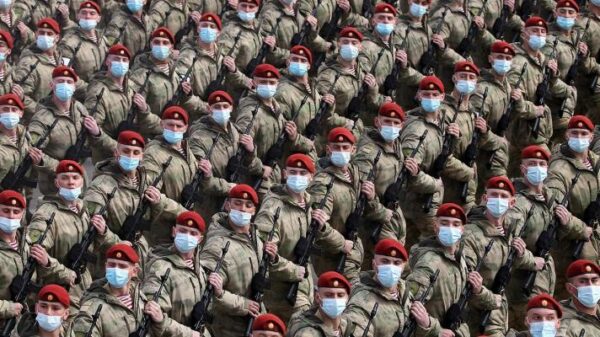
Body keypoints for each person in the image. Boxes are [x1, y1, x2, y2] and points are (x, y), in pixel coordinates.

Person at [254, 153, 343, 322]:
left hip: (303, 287)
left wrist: (329, 232)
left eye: (303, 173)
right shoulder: (273, 208)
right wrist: (295, 271)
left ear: (311, 177)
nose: (297, 177)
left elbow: (327, 236)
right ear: (285, 174)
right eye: (293, 172)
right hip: (277, 290)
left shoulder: (308, 204)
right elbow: (264, 255)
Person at [83, 130, 184, 277]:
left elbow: (177, 211)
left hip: (139, 253)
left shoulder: (147, 181)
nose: (131, 156)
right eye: (126, 151)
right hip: (110, 260)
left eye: (136, 152)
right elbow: (92, 225)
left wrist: (159, 202)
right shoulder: (101, 186)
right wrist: (117, 243)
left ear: (142, 156)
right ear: (116, 153)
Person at [462, 176, 544, 336]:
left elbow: (509, 254)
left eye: (503, 196)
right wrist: (490, 299)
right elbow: (467, 279)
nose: (498, 200)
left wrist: (528, 258)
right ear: (485, 198)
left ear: (512, 203)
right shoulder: (471, 234)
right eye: (494, 195)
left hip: (498, 309)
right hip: (475, 312)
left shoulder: (509, 229)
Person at [199, 184, 280, 337]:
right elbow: (206, 291)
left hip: (254, 322)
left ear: (254, 210)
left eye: (248, 205)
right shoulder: (217, 245)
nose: (243, 208)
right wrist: (243, 304)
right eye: (238, 203)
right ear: (228, 205)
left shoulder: (255, 236)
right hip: (226, 328)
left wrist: (274, 258)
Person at [406, 203, 498, 337]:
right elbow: (409, 304)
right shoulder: (430, 262)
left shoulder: (459, 259)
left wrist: (480, 291)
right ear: (435, 226)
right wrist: (434, 328)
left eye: (455, 224)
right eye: (444, 223)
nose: (450, 228)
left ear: (462, 229)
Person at [27, 160, 106, 313]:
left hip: (83, 287)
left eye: (75, 178)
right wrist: (65, 273)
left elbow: (95, 243)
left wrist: (103, 232)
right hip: (57, 292)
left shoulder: (83, 210)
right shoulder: (48, 213)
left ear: (82, 181)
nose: (71, 182)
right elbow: (35, 252)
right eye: (65, 178)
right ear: (57, 182)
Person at [399, 75, 469, 247]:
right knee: (435, 245)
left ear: (442, 97)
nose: (431, 98)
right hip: (418, 201)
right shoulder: (416, 129)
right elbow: (409, 175)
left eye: (434, 94)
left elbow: (441, 156)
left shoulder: (441, 122)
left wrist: (454, 138)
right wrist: (435, 185)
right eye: (426, 94)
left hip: (430, 199)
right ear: (418, 96)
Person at [506, 16, 575, 176]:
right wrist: (534, 110)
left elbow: (552, 89)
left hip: (538, 130)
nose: (538, 35)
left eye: (542, 32)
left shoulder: (541, 60)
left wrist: (554, 76)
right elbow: (514, 98)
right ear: (524, 34)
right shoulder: (518, 62)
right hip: (521, 130)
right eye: (534, 31)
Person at [505, 145, 562, 331]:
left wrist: (573, 224)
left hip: (545, 278)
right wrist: (531, 260)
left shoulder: (549, 198)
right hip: (522, 285)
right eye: (532, 163)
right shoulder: (518, 203)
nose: (537, 167)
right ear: (523, 169)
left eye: (541, 163)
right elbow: (507, 245)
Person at [71, 243, 174, 337]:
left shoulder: (140, 297)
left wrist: (160, 322)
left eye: (122, 266)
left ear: (134, 271)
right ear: (106, 267)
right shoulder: (92, 308)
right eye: (112, 265)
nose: (116, 269)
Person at [546, 115, 599, 299]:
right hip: (571, 249)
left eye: (583, 133)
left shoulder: (596, 163)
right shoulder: (560, 169)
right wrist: (581, 228)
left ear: (591, 137)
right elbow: (555, 208)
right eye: (575, 133)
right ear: (567, 135)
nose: (579, 136)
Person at [188, 90, 263, 218]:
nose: (221, 110)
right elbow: (199, 177)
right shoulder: (198, 138)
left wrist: (251, 152)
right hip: (207, 205)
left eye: (225, 106)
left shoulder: (236, 132)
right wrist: (228, 187)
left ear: (231, 108)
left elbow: (248, 165)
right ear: (209, 109)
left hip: (235, 204)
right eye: (217, 107)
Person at [308, 127, 369, 281]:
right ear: (328, 149)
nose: (341, 151)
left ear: (353, 150)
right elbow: (318, 226)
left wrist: (371, 196)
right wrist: (342, 244)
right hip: (332, 256)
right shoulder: (323, 182)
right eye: (336, 147)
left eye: (345, 147)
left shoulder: (355, 174)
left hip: (353, 250)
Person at [84, 43, 162, 164]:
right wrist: (120, 148)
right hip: (107, 160)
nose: (120, 62)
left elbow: (144, 121)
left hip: (132, 155)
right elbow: (93, 132)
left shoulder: (132, 87)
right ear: (107, 62)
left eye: (124, 60)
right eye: (116, 59)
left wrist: (144, 109)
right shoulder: (98, 92)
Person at [344, 238, 437, 337]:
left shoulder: (405, 292)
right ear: (374, 264)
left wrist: (428, 324)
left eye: (397, 263)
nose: (390, 267)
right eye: (385, 261)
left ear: (403, 267)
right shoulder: (363, 302)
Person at [353, 102, 408, 267]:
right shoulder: (369, 151)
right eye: (387, 122)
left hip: (392, 215)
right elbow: (361, 192)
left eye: (395, 123)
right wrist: (382, 212)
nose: (391, 127)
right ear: (377, 122)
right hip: (373, 219)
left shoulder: (396, 147)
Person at [142, 211, 208, 337]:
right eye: (182, 231)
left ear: (200, 239)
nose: (187, 236)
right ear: (174, 232)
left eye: (193, 233)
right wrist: (192, 334)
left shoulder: (200, 268)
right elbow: (156, 317)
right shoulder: (161, 267)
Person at [28, 66, 88, 197]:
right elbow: (33, 150)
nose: (65, 85)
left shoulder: (79, 108)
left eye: (69, 82)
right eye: (60, 81)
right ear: (51, 85)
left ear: (74, 86)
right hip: (54, 183)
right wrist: (61, 167)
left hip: (78, 177)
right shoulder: (43, 117)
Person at [142, 105, 198, 245]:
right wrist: (184, 213)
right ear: (162, 124)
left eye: (178, 126)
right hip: (164, 229)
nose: (174, 129)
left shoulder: (186, 149)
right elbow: (152, 195)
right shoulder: (153, 153)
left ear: (185, 128)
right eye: (170, 125)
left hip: (186, 225)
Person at [470, 40, 514, 195]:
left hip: (498, 153)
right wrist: (499, 141)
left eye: (508, 58)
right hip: (485, 156)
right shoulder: (483, 90)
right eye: (500, 57)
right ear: (490, 59)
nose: (504, 61)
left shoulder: (506, 86)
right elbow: (474, 131)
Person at [14, 17, 64, 122]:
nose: (45, 36)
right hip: (34, 121)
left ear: (57, 37)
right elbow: (21, 97)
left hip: (56, 119)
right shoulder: (28, 63)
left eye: (49, 34)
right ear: (36, 34)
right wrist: (44, 112)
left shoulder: (60, 58)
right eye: (42, 33)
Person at [129, 27, 178, 119]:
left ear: (171, 47)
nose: (161, 46)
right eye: (156, 42)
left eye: (165, 43)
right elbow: (136, 115)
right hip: (150, 129)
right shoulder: (140, 75)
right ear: (151, 44)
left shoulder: (174, 70)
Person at [287, 271, 354, 337]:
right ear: (317, 297)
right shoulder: (306, 333)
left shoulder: (346, 325)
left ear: (348, 298)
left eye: (340, 295)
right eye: (328, 295)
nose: (335, 299)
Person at [59, 1, 107, 84]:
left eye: (92, 13)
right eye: (84, 13)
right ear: (78, 16)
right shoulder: (69, 43)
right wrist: (88, 90)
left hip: (101, 90)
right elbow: (65, 74)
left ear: (98, 18)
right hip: (79, 92)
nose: (87, 16)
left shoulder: (103, 39)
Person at [0, 190, 27, 329]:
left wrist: (47, 262)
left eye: (16, 212)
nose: (11, 216)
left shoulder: (25, 242)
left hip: (23, 323)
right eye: (5, 210)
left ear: (22, 214)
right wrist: (8, 308)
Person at [558, 259, 600, 336]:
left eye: (594, 280)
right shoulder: (564, 327)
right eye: (583, 281)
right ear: (570, 288)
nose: (590, 286)